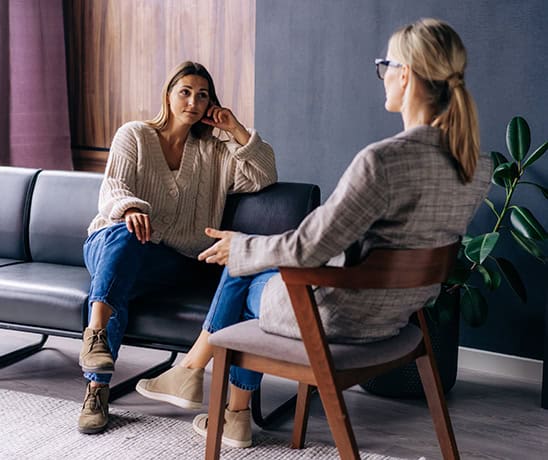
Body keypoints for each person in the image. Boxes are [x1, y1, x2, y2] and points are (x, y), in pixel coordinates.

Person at [136, 18, 493, 448]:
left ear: (406, 75)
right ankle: (222, 405)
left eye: (385, 65)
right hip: (398, 317)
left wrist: (243, 246)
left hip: (338, 317)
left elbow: (309, 246)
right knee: (252, 257)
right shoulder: (476, 165)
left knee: (243, 268)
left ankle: (206, 388)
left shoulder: (383, 161)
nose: (383, 76)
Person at [77, 61, 277, 434]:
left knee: (128, 263)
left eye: (203, 95)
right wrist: (131, 208)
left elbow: (264, 177)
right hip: (110, 241)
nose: (193, 101)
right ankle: (96, 363)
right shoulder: (134, 134)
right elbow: (112, 188)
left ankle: (98, 372)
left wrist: (235, 129)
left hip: (175, 260)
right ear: (168, 95)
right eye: (185, 91)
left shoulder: (215, 152)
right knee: (126, 240)